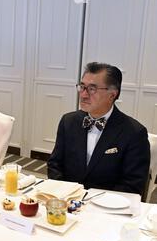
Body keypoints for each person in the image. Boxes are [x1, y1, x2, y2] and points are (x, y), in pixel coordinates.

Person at [47, 62, 150, 196]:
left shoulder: (134, 133)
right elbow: (55, 165)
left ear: (112, 95)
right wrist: (64, 195)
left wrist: (90, 201)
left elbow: (133, 185)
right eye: (82, 87)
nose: (83, 95)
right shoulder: (68, 122)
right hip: (67, 202)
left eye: (92, 89)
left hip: (107, 208)